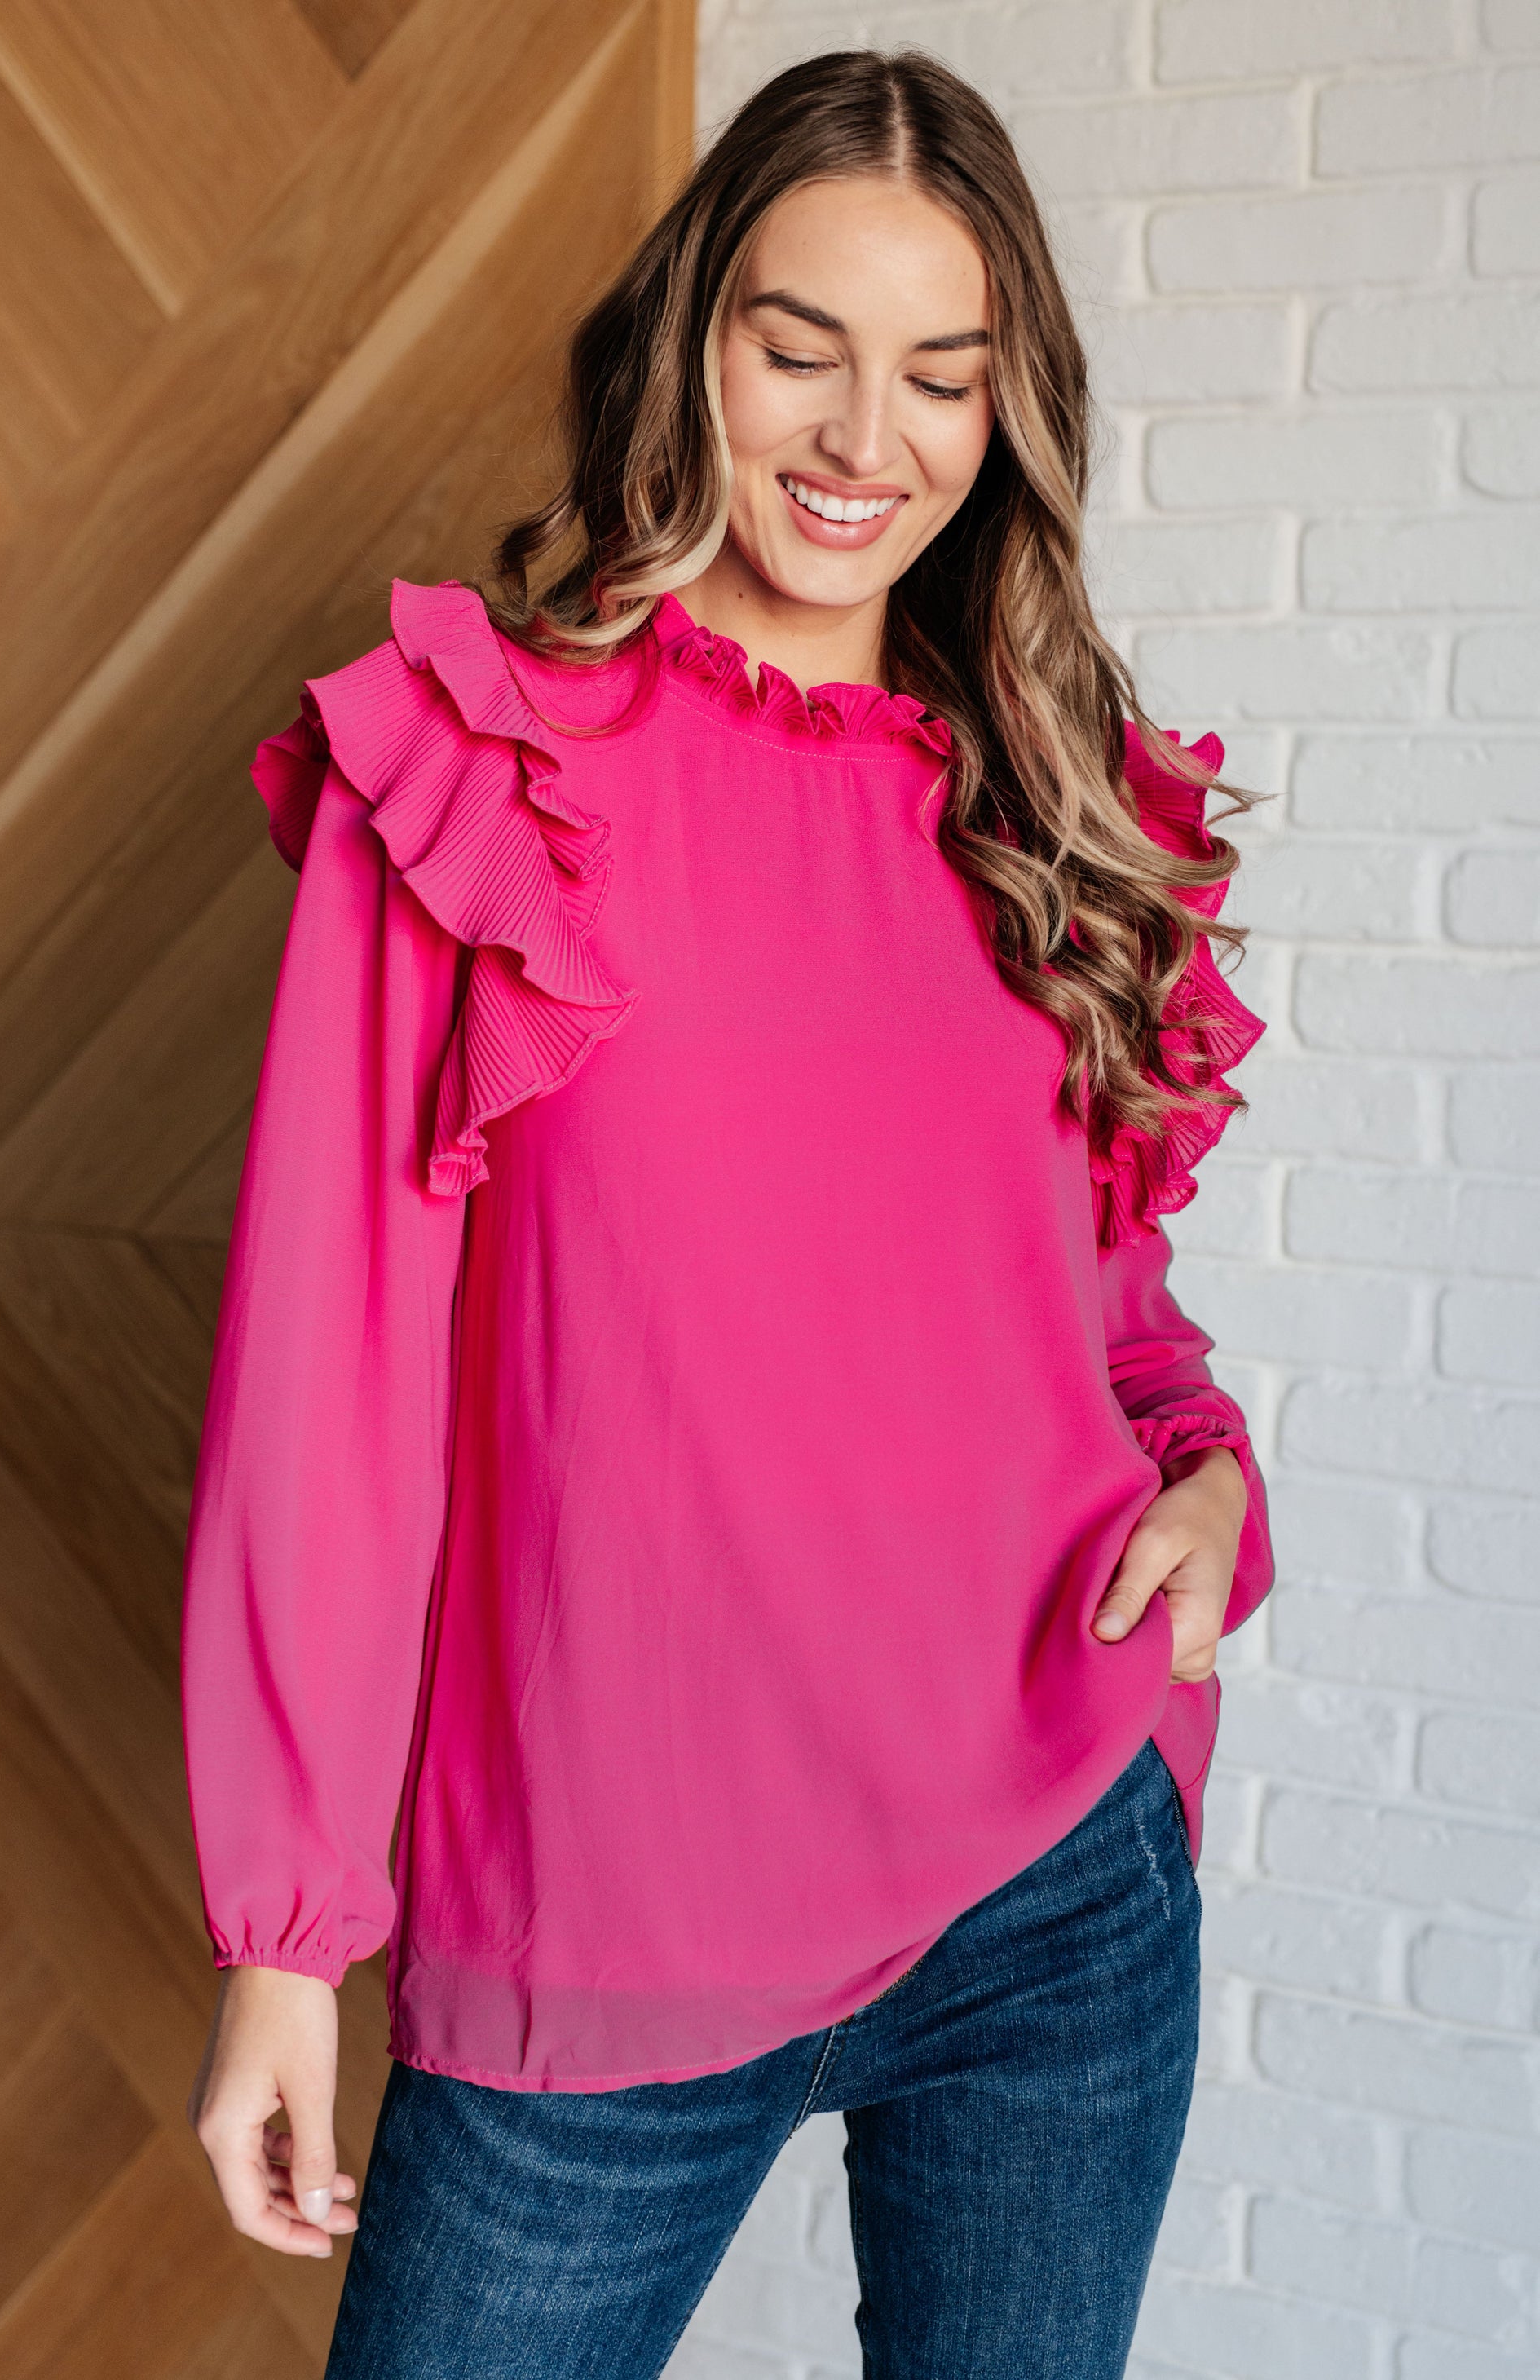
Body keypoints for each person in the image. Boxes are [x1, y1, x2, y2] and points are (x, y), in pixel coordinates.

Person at [182, 46, 1274, 2380]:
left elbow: (1106, 1322)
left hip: (1053, 1895)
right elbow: (327, 1395)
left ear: (1007, 414)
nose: (866, 436)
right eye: (802, 348)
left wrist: (1206, 1484)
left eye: (941, 375)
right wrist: (286, 1937)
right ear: (690, 340)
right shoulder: (485, 775)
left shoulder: (1044, 814)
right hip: (603, 1928)